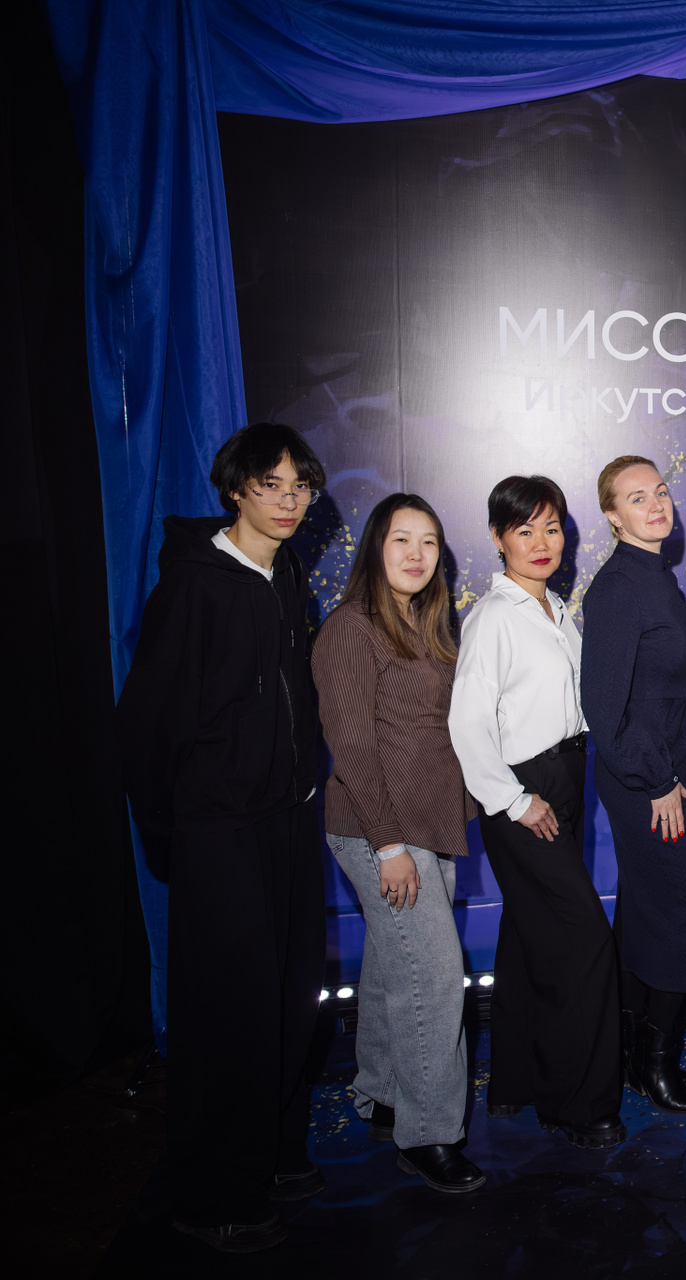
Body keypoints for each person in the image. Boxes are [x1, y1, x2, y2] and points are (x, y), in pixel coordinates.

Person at [117, 422, 328, 1251]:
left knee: (290, 996)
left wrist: (301, 778)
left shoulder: (287, 574)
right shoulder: (194, 586)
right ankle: (211, 1194)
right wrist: (173, 832)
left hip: (286, 818)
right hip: (218, 829)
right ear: (236, 489)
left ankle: (271, 1155)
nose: (288, 501)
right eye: (271, 485)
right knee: (227, 1013)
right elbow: (145, 725)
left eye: (300, 486)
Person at [313, 493, 485, 1193]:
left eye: (429, 542)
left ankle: (383, 1095)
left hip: (429, 824)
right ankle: (429, 1134)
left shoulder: (429, 624)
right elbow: (352, 749)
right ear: (374, 549)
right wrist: (389, 847)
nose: (416, 554)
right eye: (400, 540)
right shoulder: (351, 628)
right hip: (376, 831)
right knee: (436, 977)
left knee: (393, 967)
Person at [449, 476, 625, 1149]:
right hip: (524, 789)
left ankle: (516, 1081)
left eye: (552, 527)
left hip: (565, 775)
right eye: (526, 530)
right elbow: (466, 723)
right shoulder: (493, 617)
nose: (543, 542)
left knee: (529, 935)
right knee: (583, 942)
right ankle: (576, 1103)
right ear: (499, 539)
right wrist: (515, 800)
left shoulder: (554, 607)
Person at [581, 456, 686, 1115]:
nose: (656, 504)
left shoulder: (655, 577)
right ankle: (656, 1061)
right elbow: (604, 707)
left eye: (660, 492)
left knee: (648, 912)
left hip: (671, 772)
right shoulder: (616, 589)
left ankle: (637, 1055)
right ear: (613, 516)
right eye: (637, 498)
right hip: (649, 781)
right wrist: (657, 780)